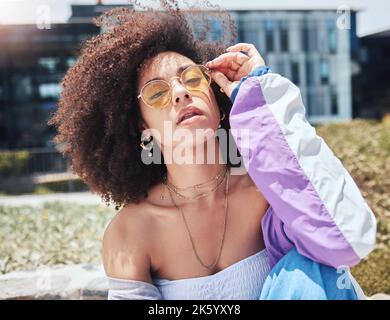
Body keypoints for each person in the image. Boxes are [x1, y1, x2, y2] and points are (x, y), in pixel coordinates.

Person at [47, 2, 376, 300]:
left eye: (191, 79)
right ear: (142, 128)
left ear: (218, 100)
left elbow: (345, 240)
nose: (180, 94)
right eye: (157, 93)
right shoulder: (131, 231)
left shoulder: (269, 190)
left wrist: (259, 95)